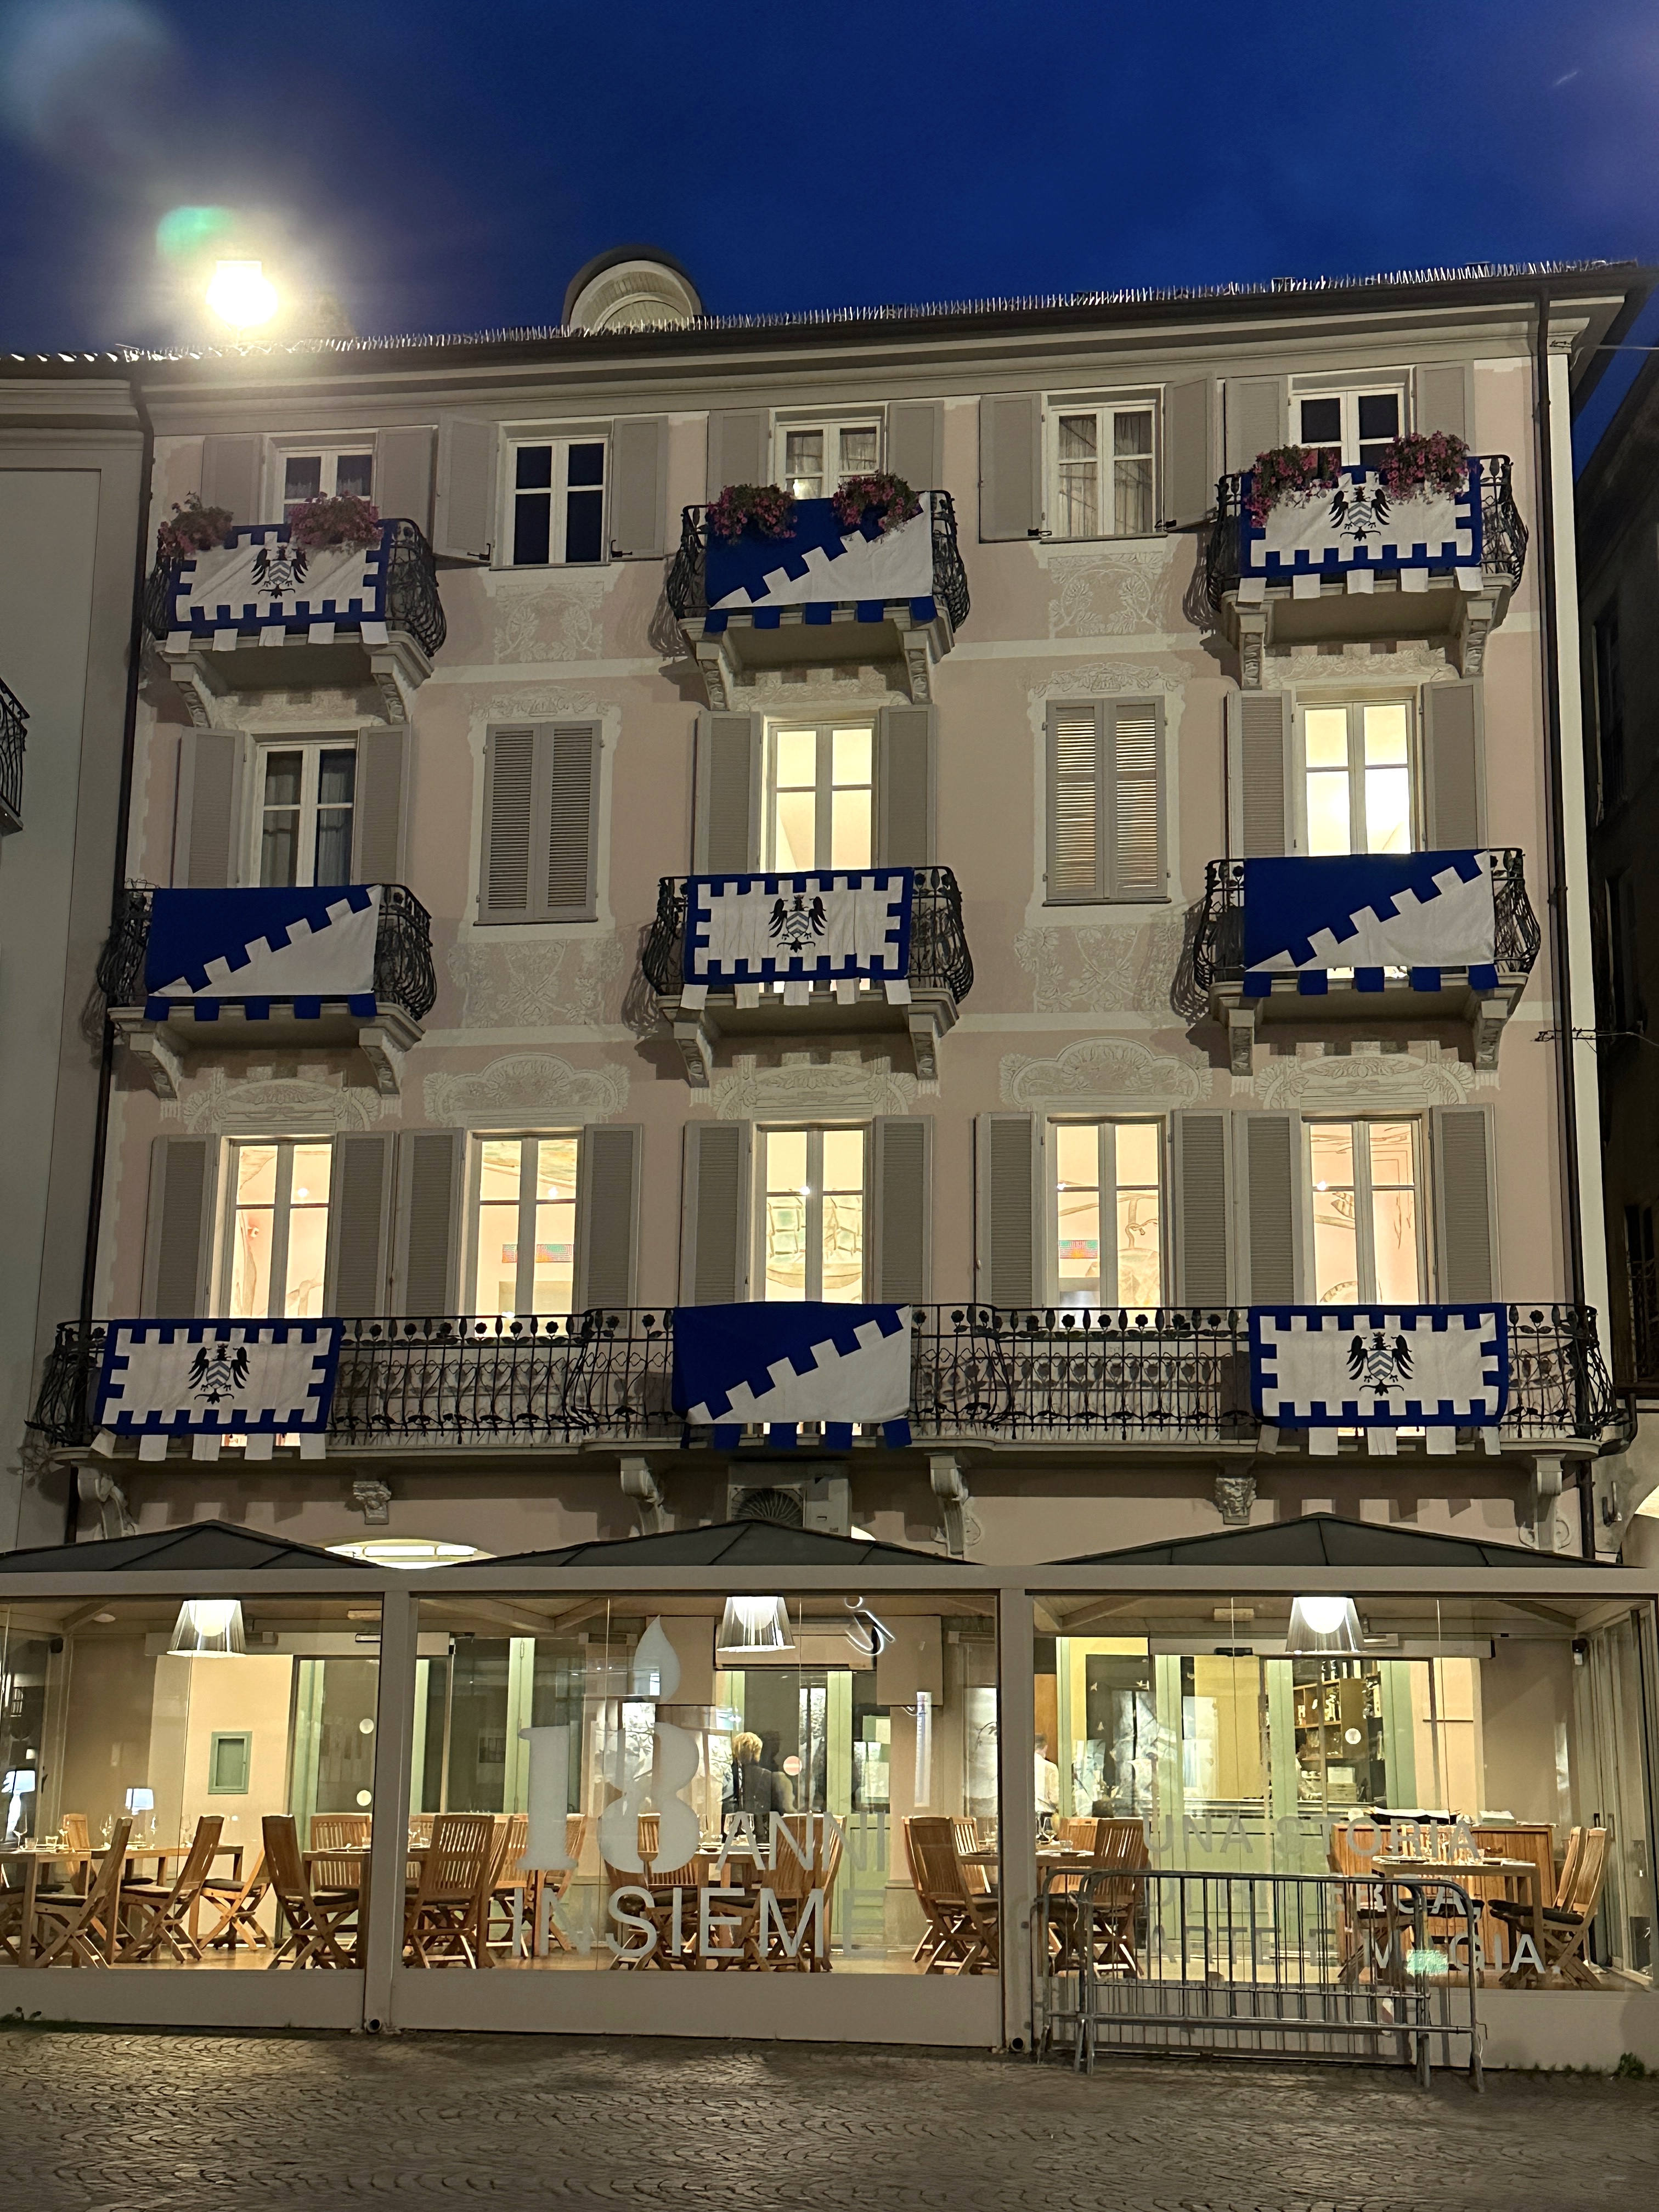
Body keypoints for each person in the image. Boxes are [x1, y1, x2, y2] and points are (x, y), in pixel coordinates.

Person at [723, 1730, 794, 1820]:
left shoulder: (729, 1777)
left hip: (736, 1824)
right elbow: (786, 1811)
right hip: (766, 1826)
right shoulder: (773, 1778)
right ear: (757, 1751)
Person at [1035, 1733, 1061, 1821]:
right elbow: (1055, 1799)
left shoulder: (1022, 1766)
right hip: (1045, 1816)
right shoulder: (1050, 1767)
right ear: (1045, 1747)